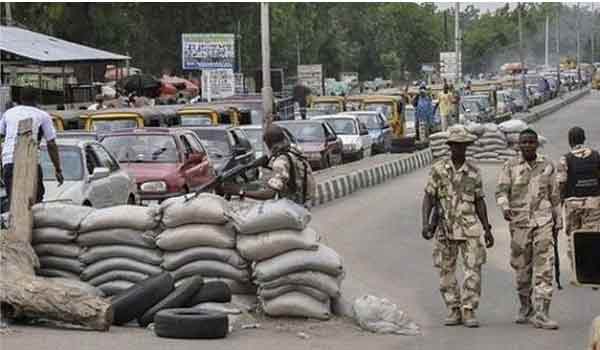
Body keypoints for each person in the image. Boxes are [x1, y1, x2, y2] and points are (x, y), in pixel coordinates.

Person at [422, 125, 494, 328]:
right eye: (456, 145)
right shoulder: (438, 170)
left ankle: (469, 309)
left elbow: (480, 200)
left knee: (473, 270)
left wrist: (487, 229)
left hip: (470, 228)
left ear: (467, 147)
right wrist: (426, 224)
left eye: (463, 146)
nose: (460, 149)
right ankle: (453, 308)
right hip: (445, 228)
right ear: (450, 146)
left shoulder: (473, 172)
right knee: (446, 270)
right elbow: (428, 197)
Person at [496, 128, 562, 330]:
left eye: (531, 142)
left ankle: (542, 312)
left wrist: (558, 220)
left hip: (543, 223)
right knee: (522, 269)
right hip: (519, 224)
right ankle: (526, 306)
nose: (527, 145)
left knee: (545, 268)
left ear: (536, 144)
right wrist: (505, 208)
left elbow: (555, 195)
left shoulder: (548, 165)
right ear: (518, 145)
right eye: (523, 142)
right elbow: (501, 191)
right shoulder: (510, 166)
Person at [219, 124, 315, 207]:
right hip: (302, 203)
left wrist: (240, 191)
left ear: (268, 144)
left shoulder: (281, 161)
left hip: (292, 207)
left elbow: (271, 193)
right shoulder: (295, 152)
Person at [0, 86, 63, 208]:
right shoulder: (42, 115)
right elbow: (51, 144)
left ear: (20, 99)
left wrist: (3, 159)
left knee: (14, 201)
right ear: (37, 99)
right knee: (35, 202)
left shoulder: (8, 114)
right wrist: (58, 169)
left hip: (9, 162)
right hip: (31, 162)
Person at [556, 127, 600, 274]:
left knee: (573, 236)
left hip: (573, 205)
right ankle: (592, 272)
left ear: (570, 140)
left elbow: (561, 183)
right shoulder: (596, 156)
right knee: (592, 236)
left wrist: (559, 204)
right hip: (593, 203)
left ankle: (577, 271)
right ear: (584, 138)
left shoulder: (565, 159)